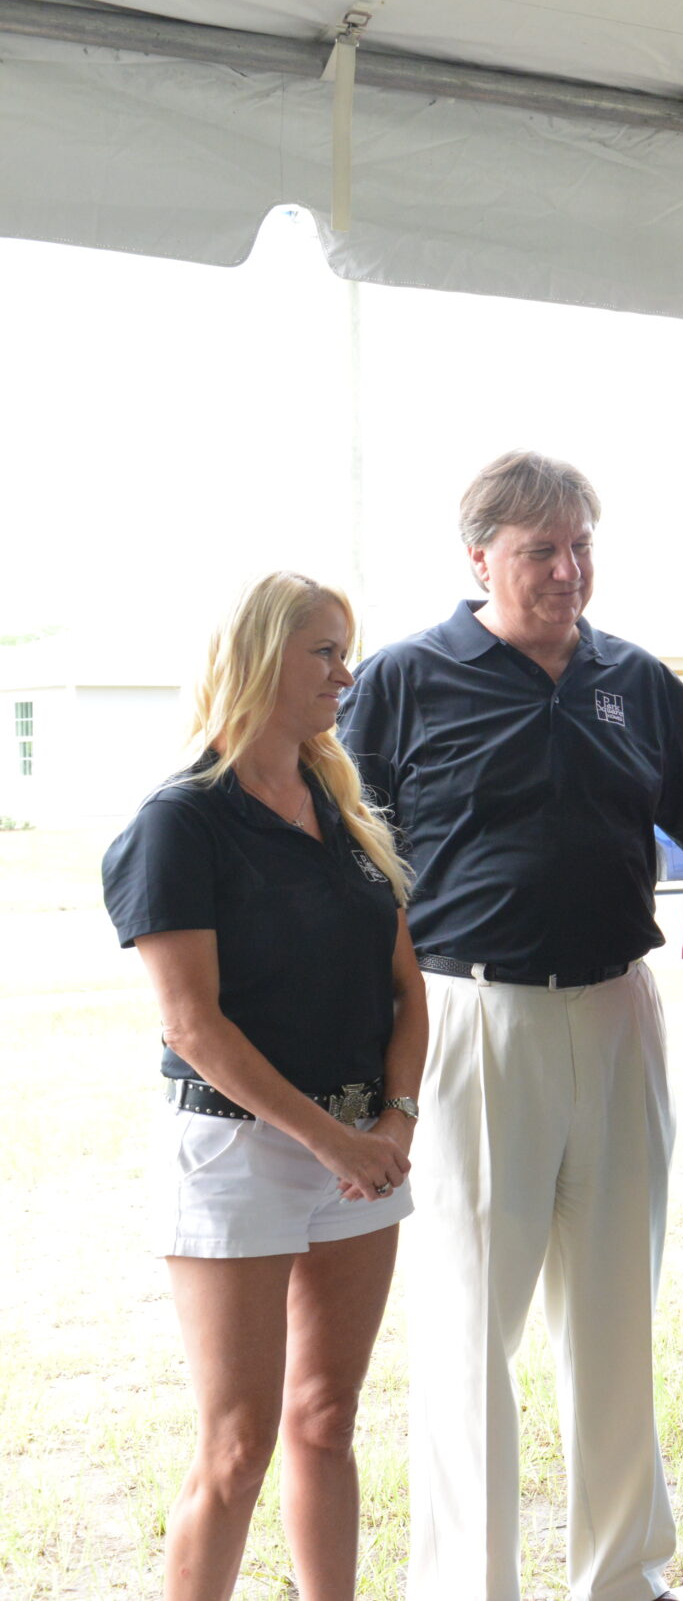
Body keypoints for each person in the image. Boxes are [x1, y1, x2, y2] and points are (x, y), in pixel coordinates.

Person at [338, 451, 683, 1601]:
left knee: (616, 1315)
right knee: (470, 1328)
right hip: (470, 1015)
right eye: (540, 551)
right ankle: (470, 1584)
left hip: (619, 1010)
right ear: (480, 559)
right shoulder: (406, 677)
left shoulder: (635, 679)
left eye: (581, 547)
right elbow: (350, 861)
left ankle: (625, 1576)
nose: (569, 571)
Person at [102, 572, 426, 1601]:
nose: (347, 671)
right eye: (324, 651)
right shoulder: (180, 821)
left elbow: (407, 987)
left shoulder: (343, 806)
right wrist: (335, 1141)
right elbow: (194, 1024)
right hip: (237, 1151)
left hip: (364, 1144)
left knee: (327, 1418)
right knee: (238, 1446)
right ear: (260, 659)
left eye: (347, 648)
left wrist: (394, 1116)